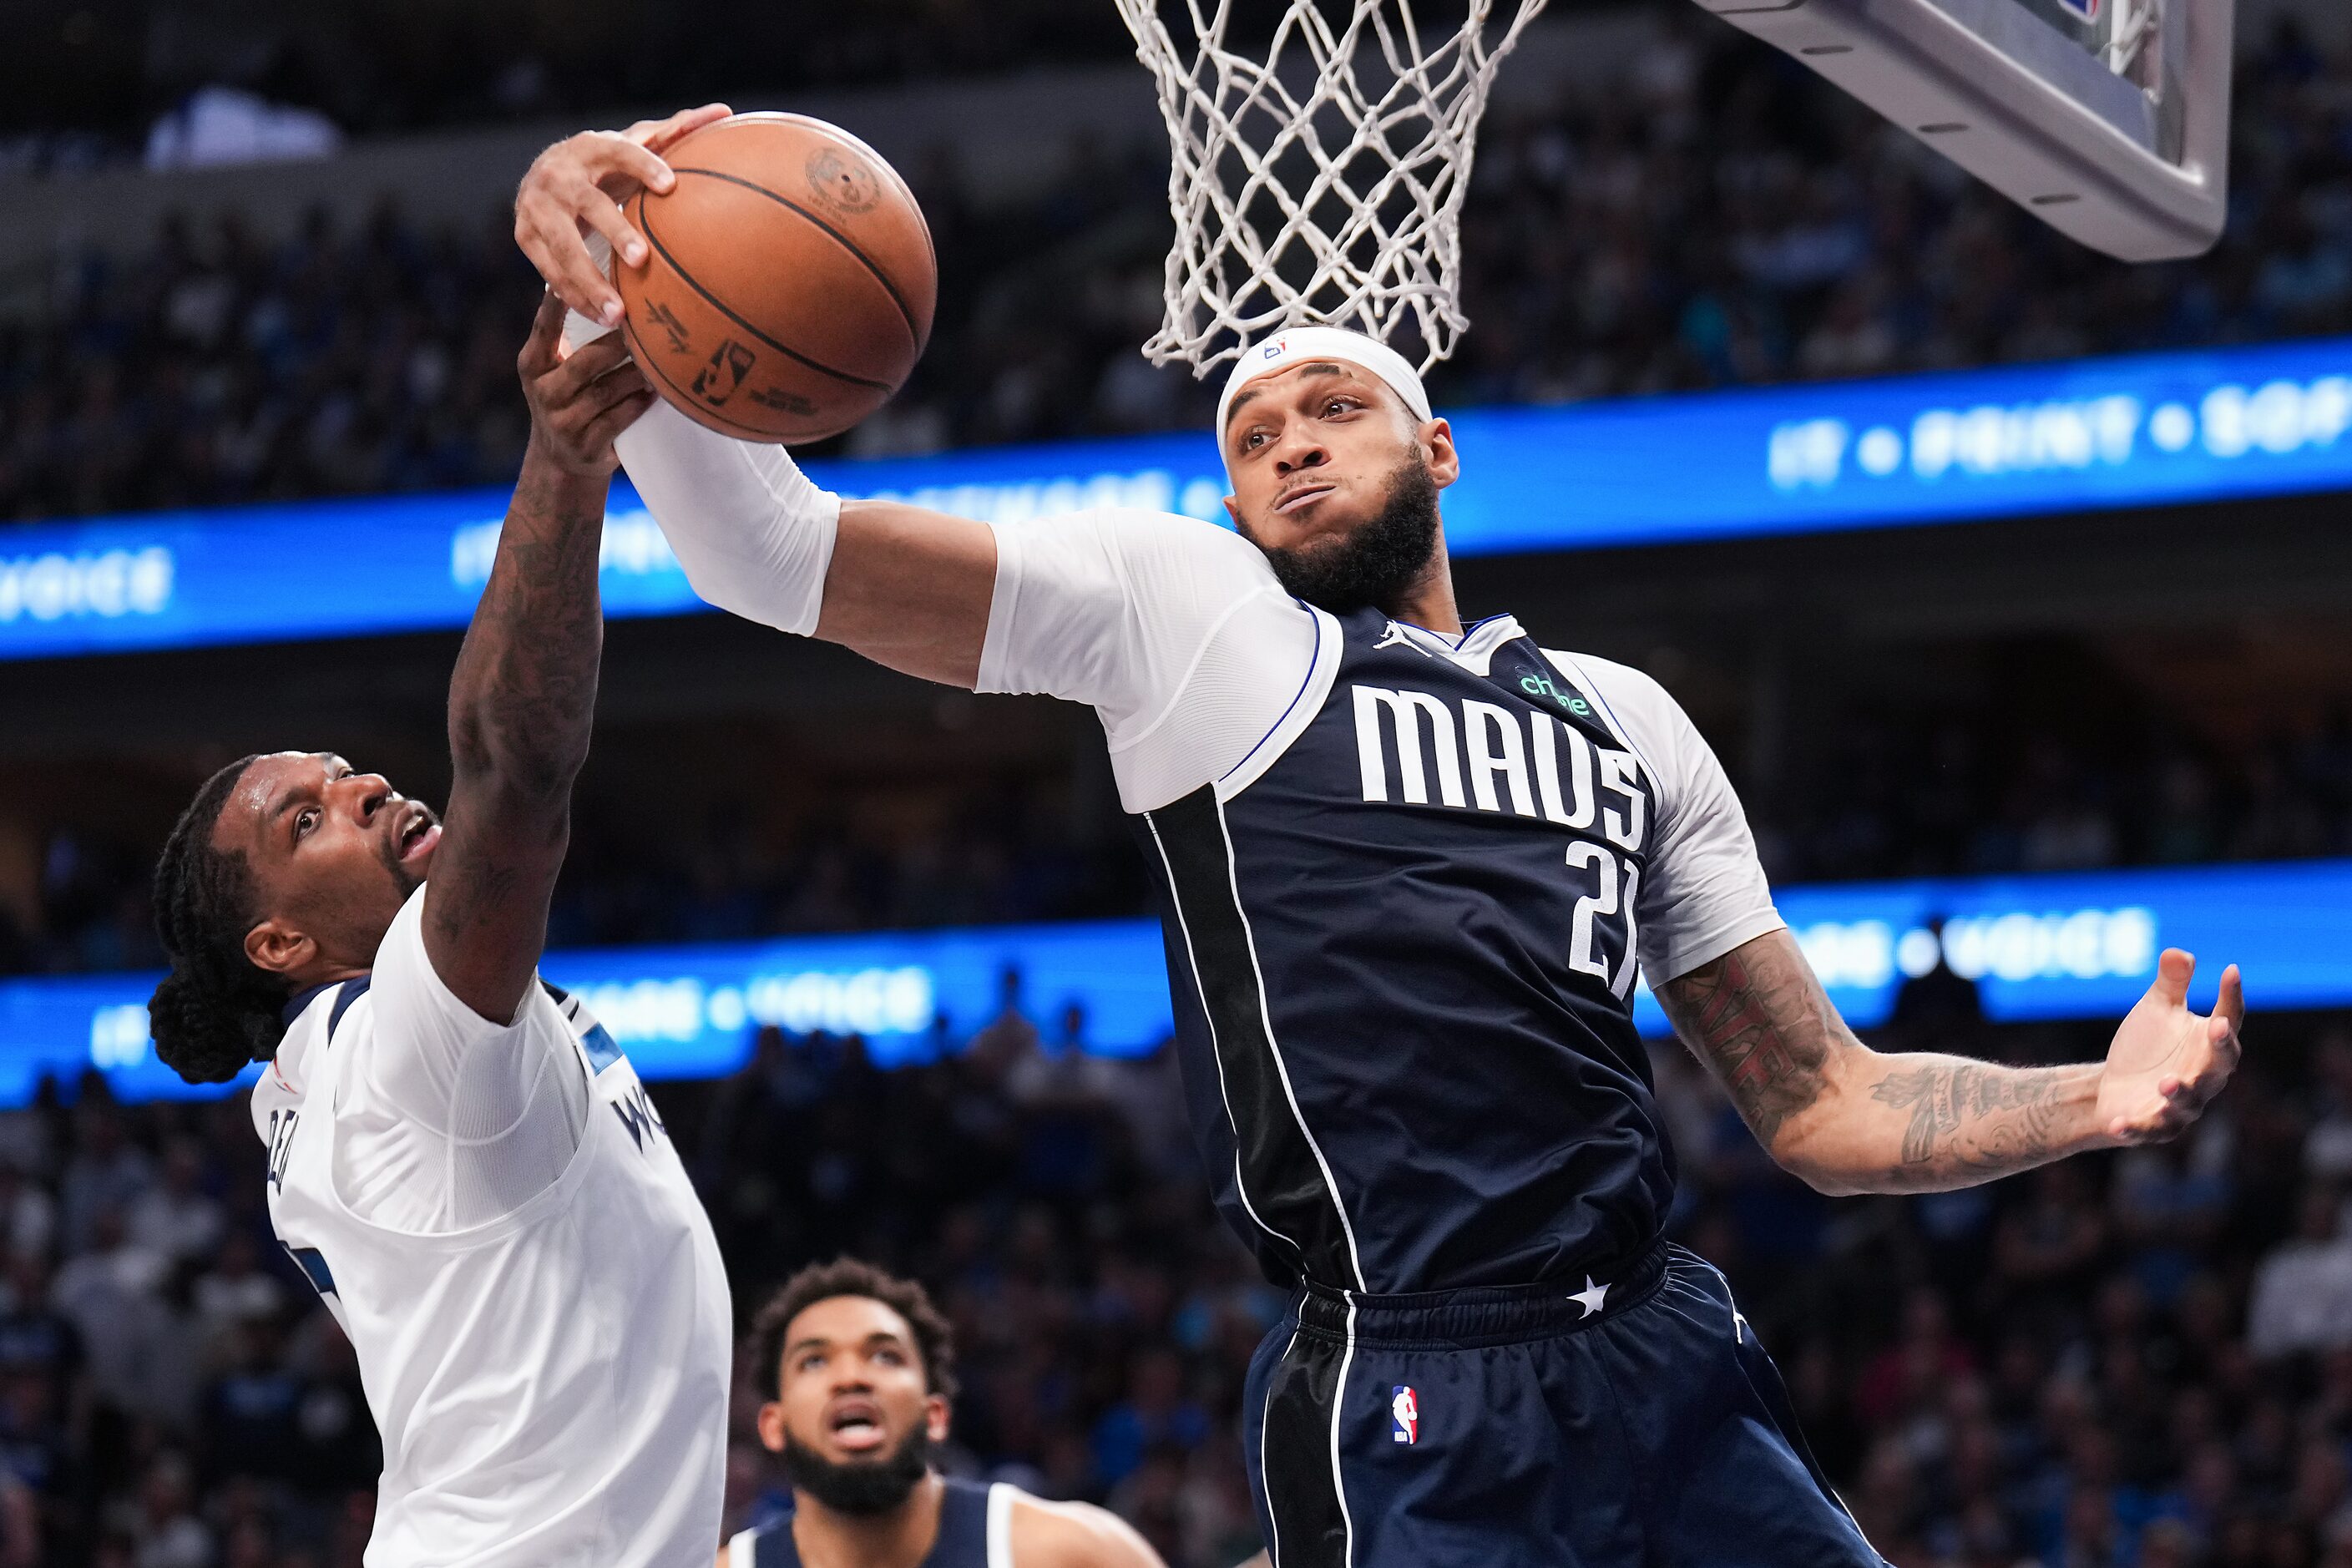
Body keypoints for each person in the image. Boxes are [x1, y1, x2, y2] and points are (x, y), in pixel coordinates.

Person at [517, 123, 2248, 1568]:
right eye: (1251, 438)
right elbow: (778, 562)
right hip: (1412, 1386)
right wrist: (623, 299)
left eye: (1329, 411)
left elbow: (1816, 1103)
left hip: (1662, 1348)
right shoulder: (1187, 619)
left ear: (1432, 445)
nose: (1286, 444)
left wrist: (2086, 1101)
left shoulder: (1624, 717)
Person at [144, 109, 735, 1567]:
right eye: (308, 816)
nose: (359, 789)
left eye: (344, 771)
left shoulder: (336, 1071)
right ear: (277, 941)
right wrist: (562, 458)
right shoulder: (403, 1033)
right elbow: (513, 764)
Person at [724, 1258, 1163, 1568]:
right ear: (773, 1425)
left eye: (884, 1356)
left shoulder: (1071, 1554)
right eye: (815, 1361)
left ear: (935, 1414)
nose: (851, 1377)